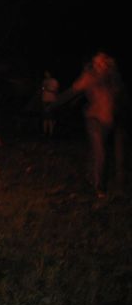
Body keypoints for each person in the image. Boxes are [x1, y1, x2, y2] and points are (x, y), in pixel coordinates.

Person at [50, 52, 127, 198]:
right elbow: (72, 92)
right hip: (94, 119)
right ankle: (100, 187)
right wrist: (53, 105)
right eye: (95, 62)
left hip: (108, 121)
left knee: (98, 150)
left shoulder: (113, 77)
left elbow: (120, 96)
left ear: (107, 63)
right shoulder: (89, 76)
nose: (98, 65)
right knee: (100, 151)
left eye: (101, 62)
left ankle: (91, 175)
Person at [41, 70, 59, 137]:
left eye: (47, 73)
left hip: (51, 100)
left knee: (51, 117)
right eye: (45, 73)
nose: (46, 74)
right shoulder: (44, 81)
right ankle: (45, 132)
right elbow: (42, 89)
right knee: (45, 117)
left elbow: (56, 90)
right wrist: (44, 89)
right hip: (44, 99)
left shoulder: (54, 81)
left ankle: (51, 133)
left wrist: (48, 89)